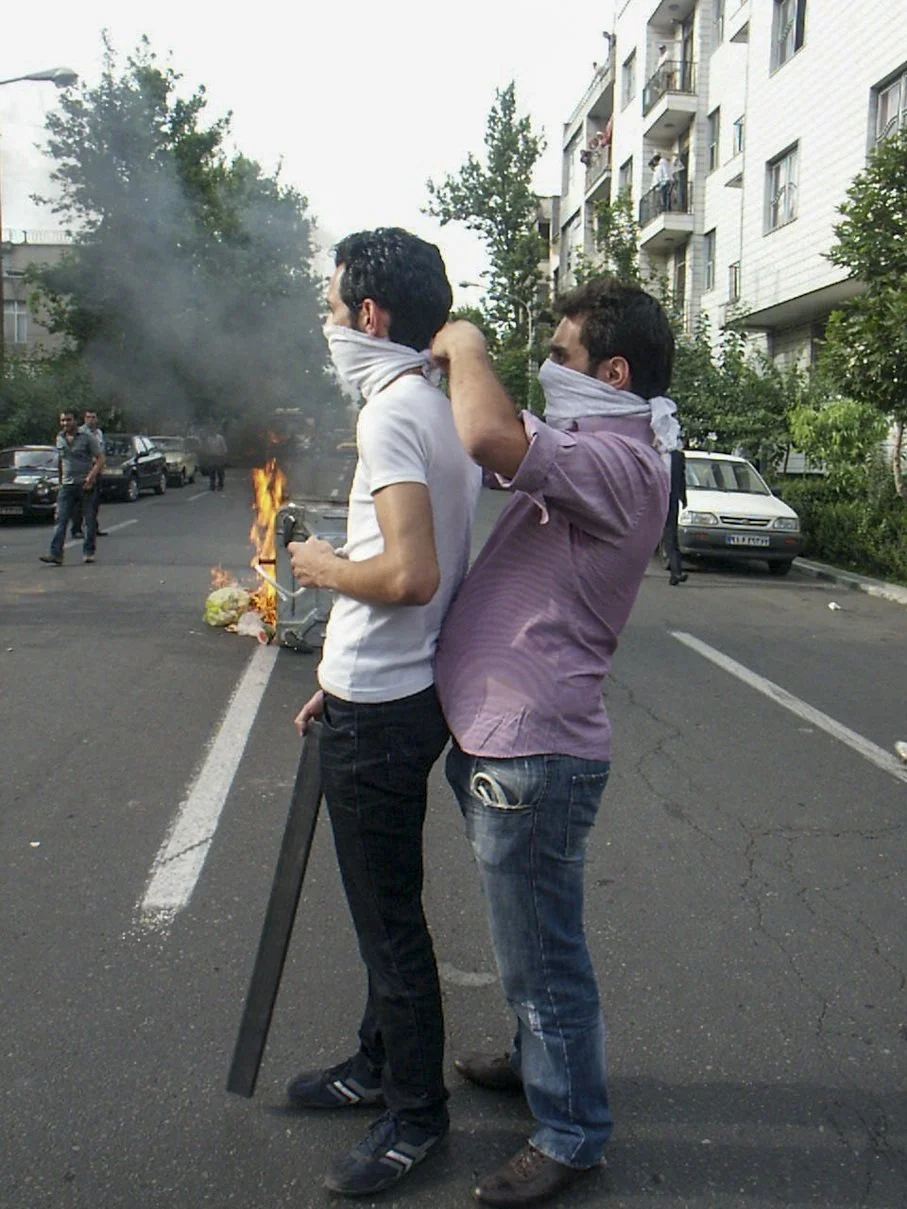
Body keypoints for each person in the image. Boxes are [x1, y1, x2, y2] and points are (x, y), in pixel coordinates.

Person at [430, 277, 679, 1207]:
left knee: (544, 955)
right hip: (505, 742)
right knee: (529, 945)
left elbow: (494, 434)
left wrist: (464, 341)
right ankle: (540, 1058)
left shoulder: (621, 462)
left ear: (611, 373)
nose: (548, 369)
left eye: (564, 355)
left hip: (533, 754)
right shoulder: (588, 446)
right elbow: (489, 442)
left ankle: (572, 1129)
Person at [285, 228, 481, 1198]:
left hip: (384, 714)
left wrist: (320, 567)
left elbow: (410, 575)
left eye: (332, 307)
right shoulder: (430, 407)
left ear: (369, 316)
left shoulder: (394, 416)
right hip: (388, 694)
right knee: (381, 916)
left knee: (388, 924)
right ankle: (376, 1068)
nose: (328, 323)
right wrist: (336, 671)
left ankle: (414, 1118)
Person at [40, 409, 105, 565]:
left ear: (75, 421)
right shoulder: (60, 438)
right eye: (63, 420)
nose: (65, 423)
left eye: (68, 420)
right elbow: (62, 462)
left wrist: (91, 477)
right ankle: (56, 554)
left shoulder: (87, 438)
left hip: (85, 484)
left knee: (89, 520)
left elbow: (100, 459)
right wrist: (60, 481)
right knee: (61, 519)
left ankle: (89, 552)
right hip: (67, 486)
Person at [71, 409, 107, 538]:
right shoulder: (80, 433)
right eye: (88, 417)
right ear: (84, 419)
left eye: (93, 417)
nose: (91, 419)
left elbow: (101, 451)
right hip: (83, 471)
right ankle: (76, 529)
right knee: (80, 502)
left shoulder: (99, 433)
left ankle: (93, 527)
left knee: (95, 501)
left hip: (97, 469)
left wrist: (101, 465)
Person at [664, 444, 688, 584]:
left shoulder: (677, 456)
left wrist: (683, 498)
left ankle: (676, 573)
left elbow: (681, 477)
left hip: (671, 499)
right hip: (653, 499)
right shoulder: (651, 452)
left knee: (671, 535)